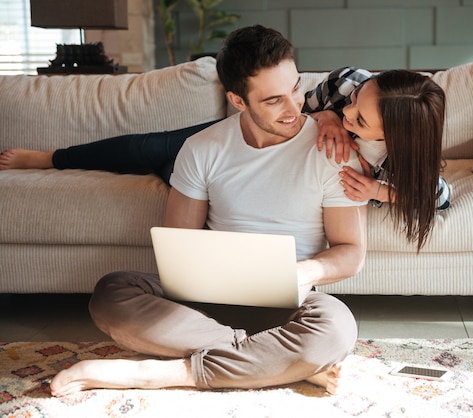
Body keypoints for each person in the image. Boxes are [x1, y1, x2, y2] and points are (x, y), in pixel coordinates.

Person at [49, 25, 368, 397]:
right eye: (273, 100)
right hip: (203, 306)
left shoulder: (331, 151)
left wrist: (300, 272)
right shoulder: (201, 149)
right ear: (237, 100)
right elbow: (179, 244)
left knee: (336, 327)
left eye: (296, 88)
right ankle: (275, 360)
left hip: (287, 303)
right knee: (111, 293)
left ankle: (165, 373)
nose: (294, 107)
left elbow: (350, 252)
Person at [0, 62, 449, 251]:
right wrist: (331, 116)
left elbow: (438, 196)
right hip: (249, 136)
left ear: (397, 139)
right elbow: (301, 108)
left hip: (256, 165)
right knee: (149, 147)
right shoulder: (352, 84)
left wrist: (376, 190)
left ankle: (171, 173)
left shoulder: (399, 164)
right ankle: (49, 157)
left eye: (361, 119)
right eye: (356, 101)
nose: (352, 109)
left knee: (165, 168)